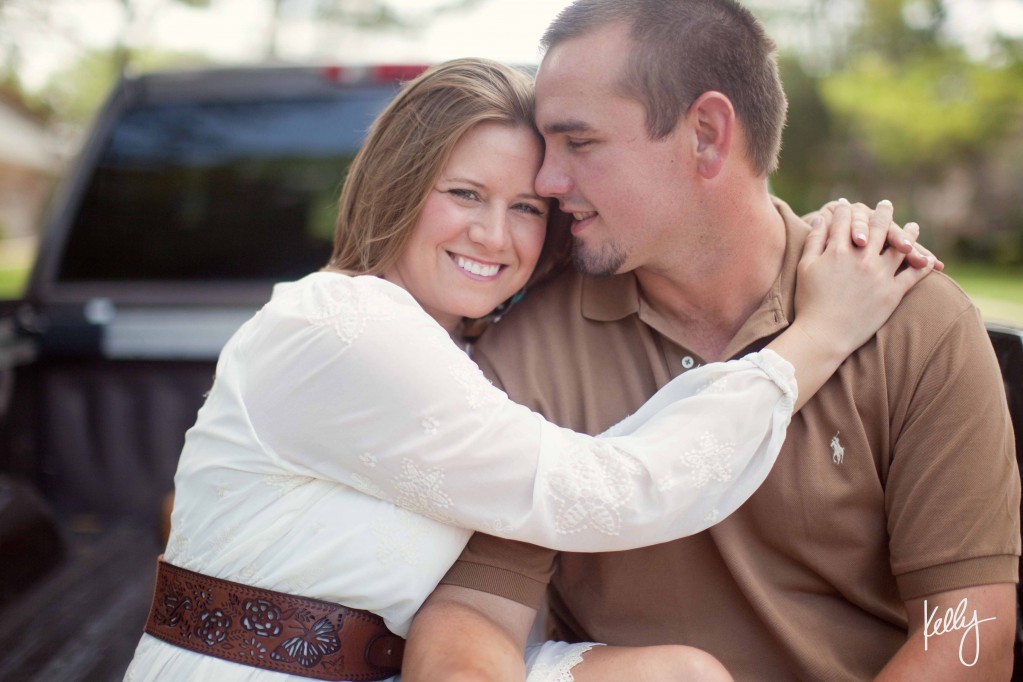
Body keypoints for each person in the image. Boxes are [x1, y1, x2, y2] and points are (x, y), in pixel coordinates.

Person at [124, 58, 934, 682]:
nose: (493, 235)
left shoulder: (469, 353)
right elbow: (606, 491)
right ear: (397, 188)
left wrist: (813, 239)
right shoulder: (341, 325)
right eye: (465, 194)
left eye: (526, 209)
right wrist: (818, 335)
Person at [404, 2, 1020, 681]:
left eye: (578, 144)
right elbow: (475, 613)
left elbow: (969, 630)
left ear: (705, 135)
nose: (546, 182)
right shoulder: (528, 352)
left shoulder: (913, 320)